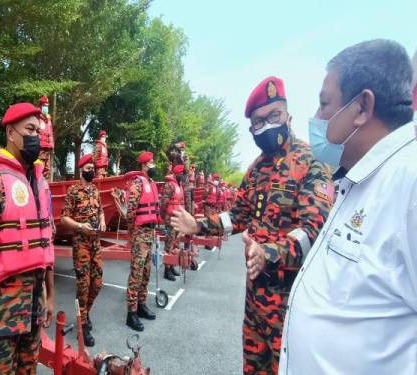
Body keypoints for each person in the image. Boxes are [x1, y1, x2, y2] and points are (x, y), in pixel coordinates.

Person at [171, 76, 334, 375]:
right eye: (259, 122)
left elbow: (314, 232)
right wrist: (198, 226)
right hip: (255, 301)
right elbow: (237, 216)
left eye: (273, 116)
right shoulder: (256, 169)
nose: (267, 126)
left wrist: (269, 253)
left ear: (287, 114)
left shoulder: (312, 162)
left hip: (292, 305)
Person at [280, 39, 417, 375]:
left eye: (324, 104)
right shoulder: (356, 180)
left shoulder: (409, 183)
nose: (316, 119)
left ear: (362, 108)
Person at [0, 102, 55, 375]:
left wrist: (50, 297)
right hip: (1, 316)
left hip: (33, 312)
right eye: (29, 129)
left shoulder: (40, 182)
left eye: (38, 131)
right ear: (11, 133)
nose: (35, 137)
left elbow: (45, 245)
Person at [60, 153, 106, 347]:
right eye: (88, 169)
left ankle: (86, 312)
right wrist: (80, 226)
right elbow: (64, 219)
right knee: (84, 285)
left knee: (97, 283)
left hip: (96, 243)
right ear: (81, 170)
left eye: (92, 169)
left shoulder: (95, 190)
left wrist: (102, 220)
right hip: (81, 244)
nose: (91, 172)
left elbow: (101, 210)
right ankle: (83, 324)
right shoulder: (73, 191)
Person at [124, 151, 158, 332]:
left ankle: (142, 305)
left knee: (146, 273)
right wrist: (132, 233)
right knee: (136, 275)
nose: (153, 166)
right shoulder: (137, 184)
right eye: (151, 163)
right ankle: (131, 313)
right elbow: (130, 212)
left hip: (150, 233)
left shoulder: (152, 184)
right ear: (144, 165)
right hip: (139, 234)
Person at [159, 164, 186, 281]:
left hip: (177, 218)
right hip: (171, 219)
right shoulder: (170, 184)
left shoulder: (179, 185)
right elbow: (163, 202)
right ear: (177, 174)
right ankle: (166, 270)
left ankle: (172, 266)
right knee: (169, 244)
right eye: (182, 174)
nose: (184, 176)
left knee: (175, 244)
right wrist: (166, 216)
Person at [38, 95, 54, 180]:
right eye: (44, 106)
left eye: (47, 106)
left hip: (48, 148)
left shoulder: (48, 120)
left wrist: (52, 145)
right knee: (39, 168)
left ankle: (46, 188)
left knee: (47, 169)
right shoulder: (37, 118)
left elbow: (50, 133)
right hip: (39, 149)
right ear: (40, 106)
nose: (46, 108)